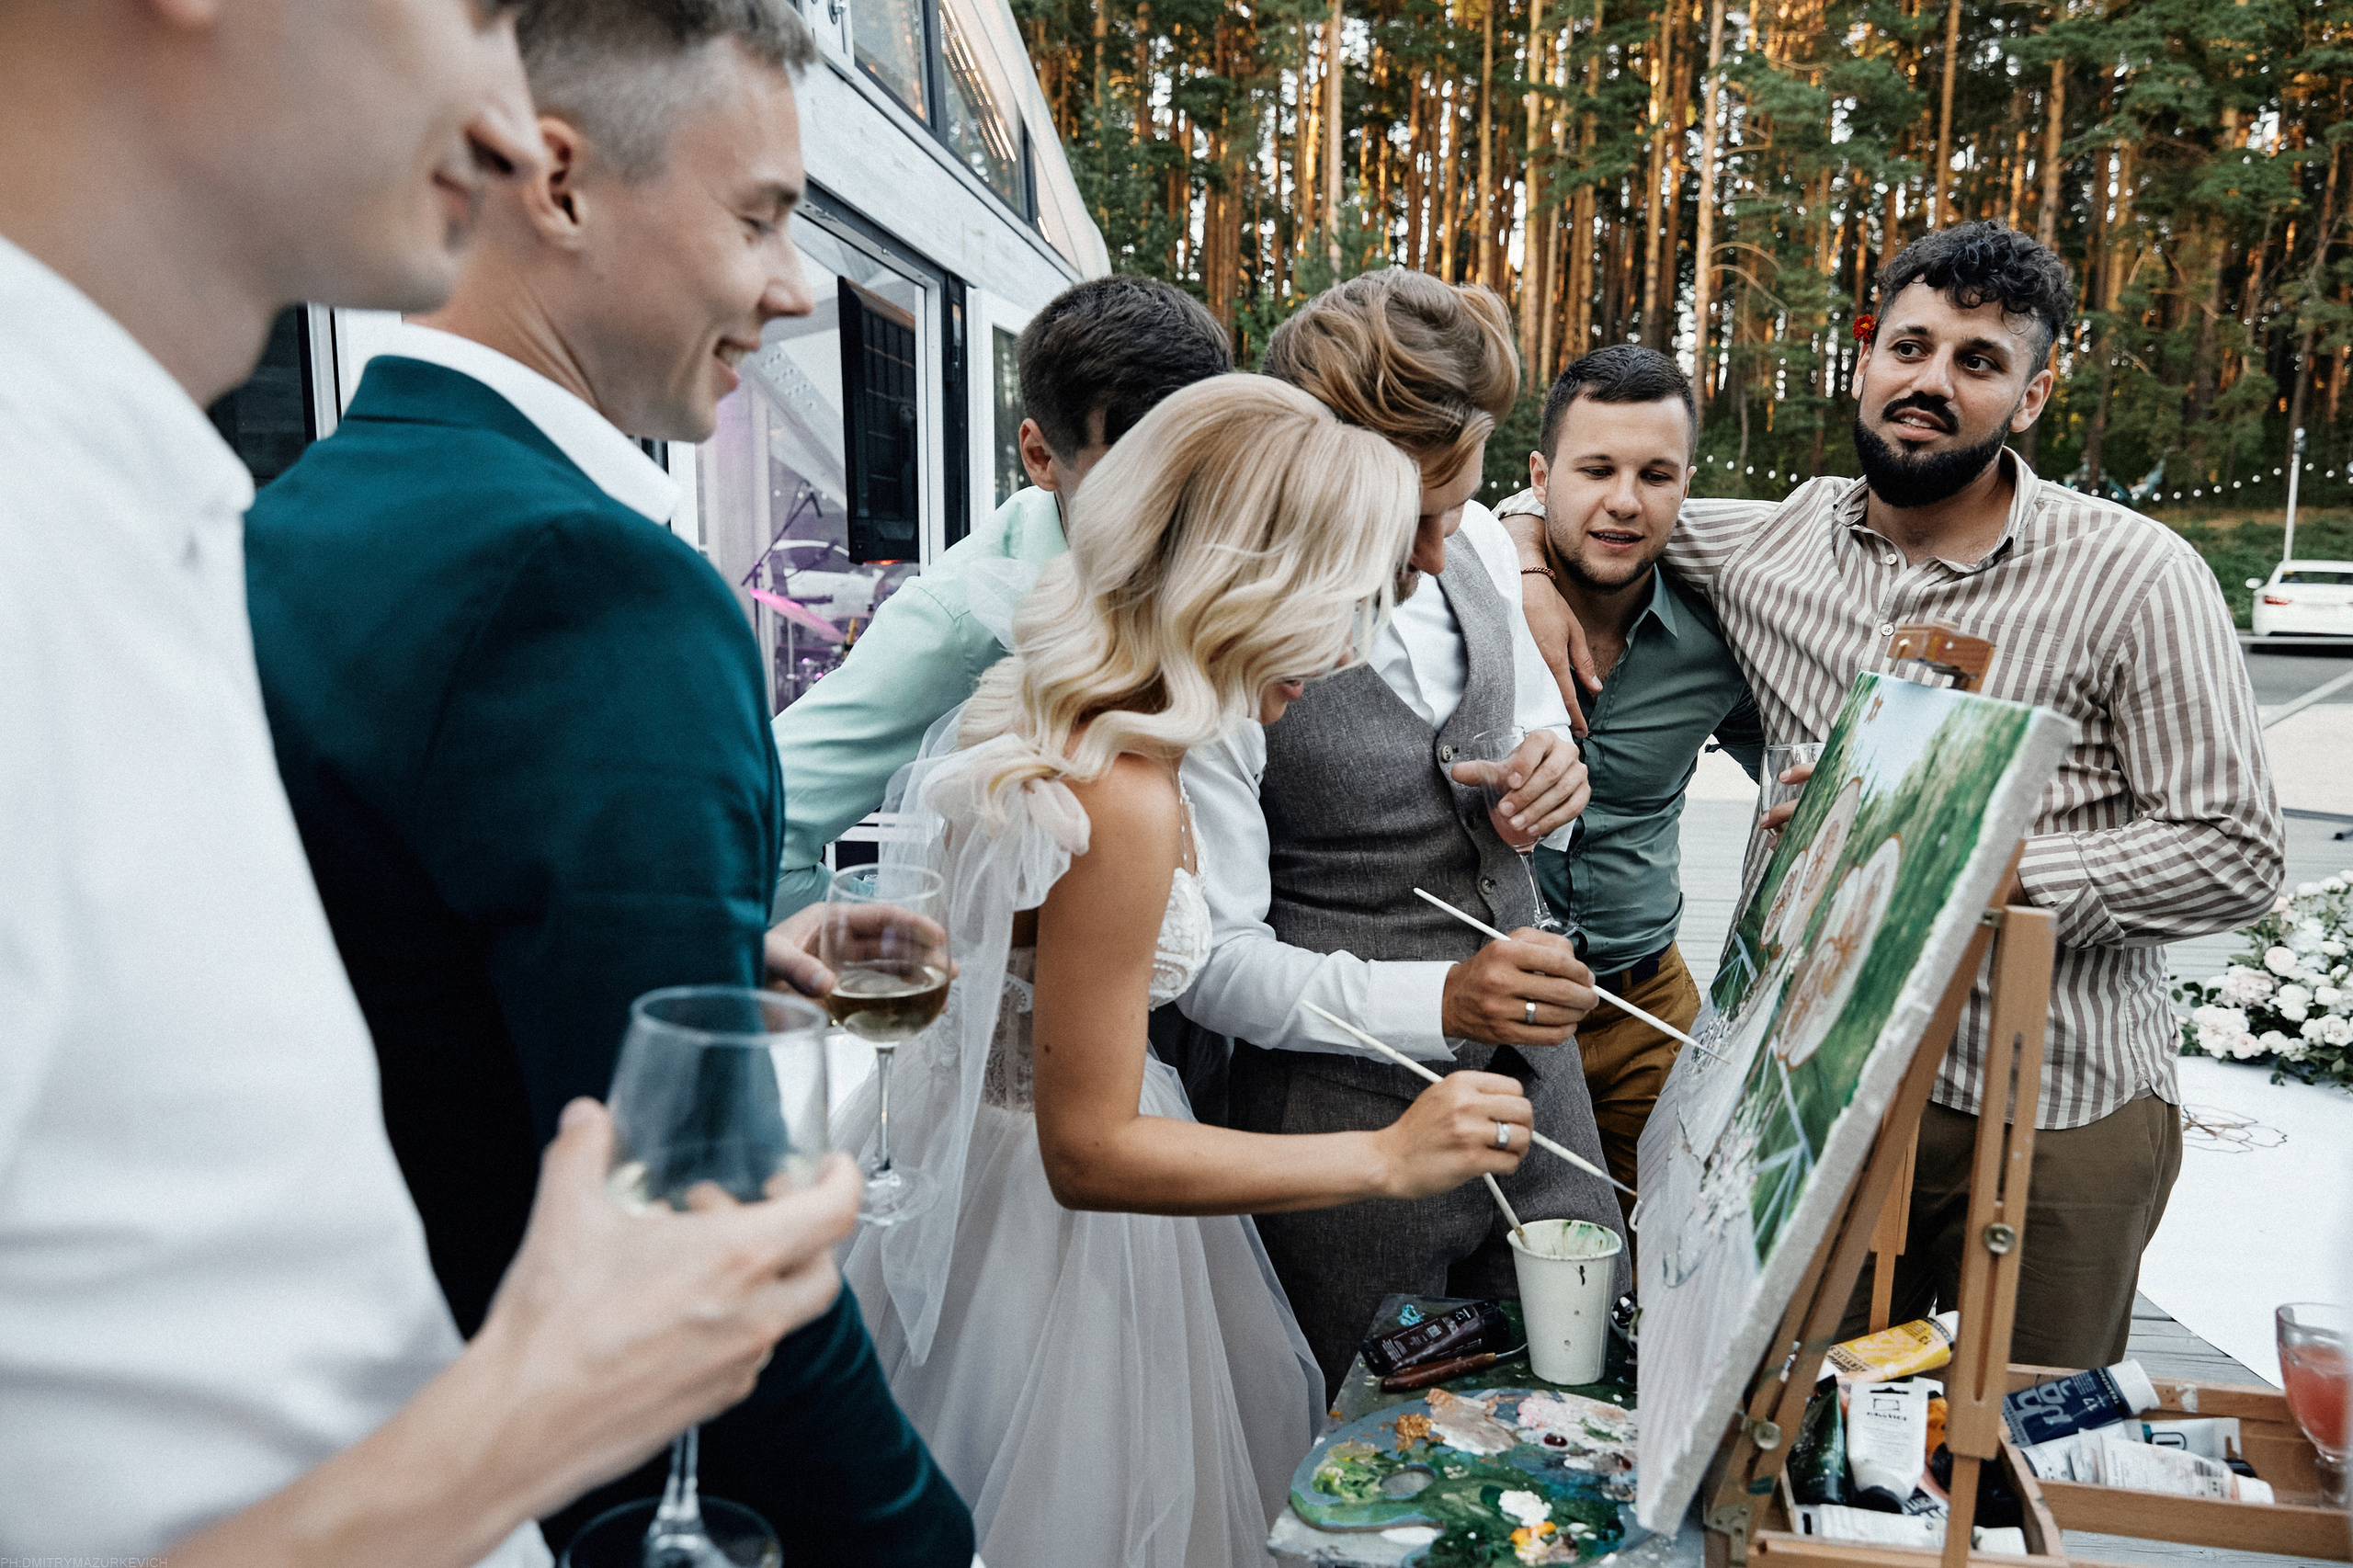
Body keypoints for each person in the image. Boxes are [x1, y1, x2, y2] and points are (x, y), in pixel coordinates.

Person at [0, 1, 860, 1563]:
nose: (504, 116)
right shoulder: (45, 536)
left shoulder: (196, 508)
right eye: (473, 10)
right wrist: (538, 1411)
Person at [239, 2, 969, 1556]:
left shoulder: (300, 511)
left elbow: (402, 949)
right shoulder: (590, 579)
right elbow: (689, 1211)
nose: (795, 287)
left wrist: (719, 963)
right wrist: (919, 1534)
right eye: (763, 216)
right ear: (559, 185)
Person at [845, 373, 1547, 1567]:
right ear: (1245, 586)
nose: (1335, 653)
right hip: (1057, 1262)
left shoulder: (1068, 703)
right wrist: (1384, 1155)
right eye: (1332, 605)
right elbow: (1087, 1146)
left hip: (983, 1202)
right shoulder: (1120, 788)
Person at [1640, 221, 2284, 1366]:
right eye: (1910, 346)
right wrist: (1532, 559)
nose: (1930, 382)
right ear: (1863, 355)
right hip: (1811, 1093)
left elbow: (2233, 847)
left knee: (2010, 1464)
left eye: (1978, 361)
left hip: (2054, 1103)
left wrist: (1965, 848)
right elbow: (1593, 511)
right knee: (1787, 1437)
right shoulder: (1771, 545)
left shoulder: (2136, 573)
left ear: (2031, 397)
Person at [1176, 269, 1628, 1396]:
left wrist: (1551, 775)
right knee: (1372, 1442)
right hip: (1340, 1126)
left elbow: (1525, 723)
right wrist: (1439, 1001)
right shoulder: (1223, 639)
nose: (1436, 547)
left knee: (1581, 1393)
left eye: (1453, 506)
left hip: (1540, 1082)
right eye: (1406, 520)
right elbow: (1211, 964)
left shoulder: (1477, 535)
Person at [765, 275, 1233, 926]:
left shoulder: (1242, 562)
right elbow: (752, 837)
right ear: (1042, 458)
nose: (1183, 505)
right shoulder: (957, 620)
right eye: (1136, 475)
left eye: (1204, 464)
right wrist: (941, 939)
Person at [1490, 346, 1765, 1209]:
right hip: (1487, 1003)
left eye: (1656, 474)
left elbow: (1802, 767)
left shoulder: (1723, 643)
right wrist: (1521, 558)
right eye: (1596, 468)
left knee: (1673, 1252)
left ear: (1687, 486)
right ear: (1541, 475)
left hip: (1647, 1003)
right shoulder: (1470, 602)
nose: (1623, 500)